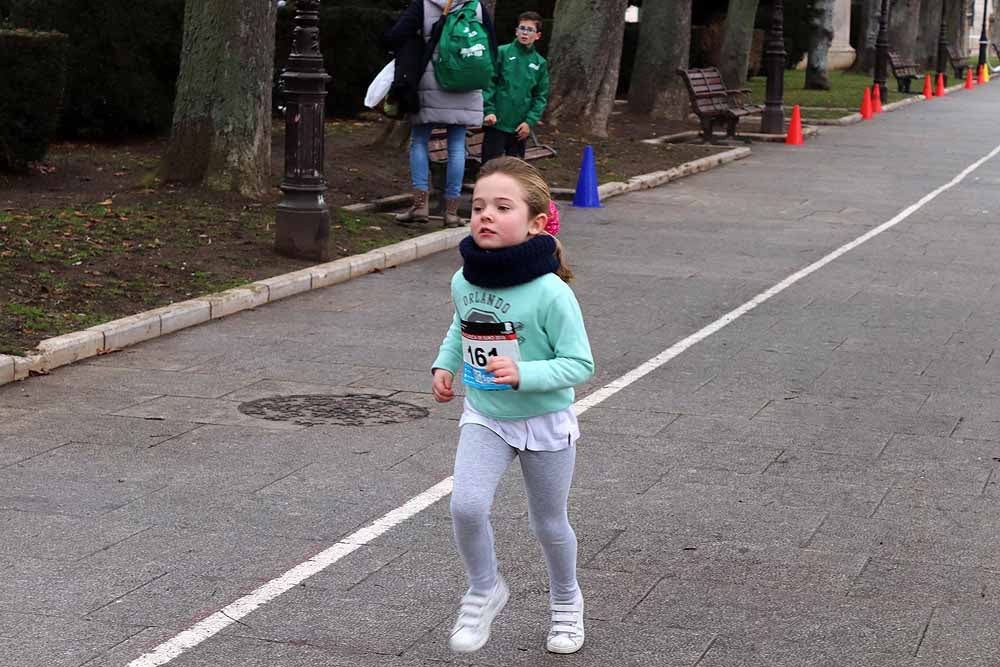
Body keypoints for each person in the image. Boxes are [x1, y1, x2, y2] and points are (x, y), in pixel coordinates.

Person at [430, 156, 594, 655]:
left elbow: (580, 364)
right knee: (466, 504)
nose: (485, 215)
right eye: (478, 206)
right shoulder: (465, 279)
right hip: (487, 415)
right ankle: (484, 588)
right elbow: (462, 325)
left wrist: (528, 373)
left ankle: (566, 600)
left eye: (502, 207)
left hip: (544, 420)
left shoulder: (550, 293)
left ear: (536, 223)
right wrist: (445, 364)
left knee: (548, 523)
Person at [383, 0, 497, 228]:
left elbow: (395, 36)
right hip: (466, 83)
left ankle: (420, 205)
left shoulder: (423, 5)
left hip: (430, 81)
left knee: (419, 141)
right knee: (456, 145)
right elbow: (491, 48)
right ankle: (452, 212)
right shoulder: (476, 6)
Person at [481, 12, 550, 164]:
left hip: (520, 128)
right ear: (516, 31)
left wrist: (529, 122)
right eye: (522, 28)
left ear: (537, 35)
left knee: (515, 172)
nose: (525, 32)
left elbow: (540, 96)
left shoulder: (540, 63)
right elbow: (489, 83)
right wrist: (489, 110)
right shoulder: (502, 52)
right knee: (490, 168)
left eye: (530, 30)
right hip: (497, 122)